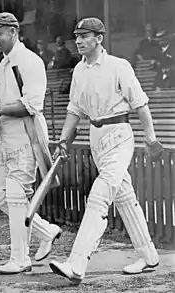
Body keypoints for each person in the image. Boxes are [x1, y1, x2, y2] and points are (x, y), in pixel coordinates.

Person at [49, 17, 163, 284]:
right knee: (124, 196)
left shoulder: (118, 66)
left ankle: (76, 263)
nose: (78, 41)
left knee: (99, 195)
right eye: (76, 36)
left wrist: (151, 139)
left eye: (84, 36)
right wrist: (63, 140)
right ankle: (149, 257)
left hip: (120, 136)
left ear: (99, 39)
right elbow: (74, 110)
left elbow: (141, 105)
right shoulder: (79, 70)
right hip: (96, 137)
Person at [0, 12, 62, 275]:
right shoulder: (3, 64)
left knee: (16, 199)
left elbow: (32, 104)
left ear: (13, 31)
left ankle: (20, 259)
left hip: (27, 140)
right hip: (5, 140)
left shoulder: (29, 61)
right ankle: (45, 230)